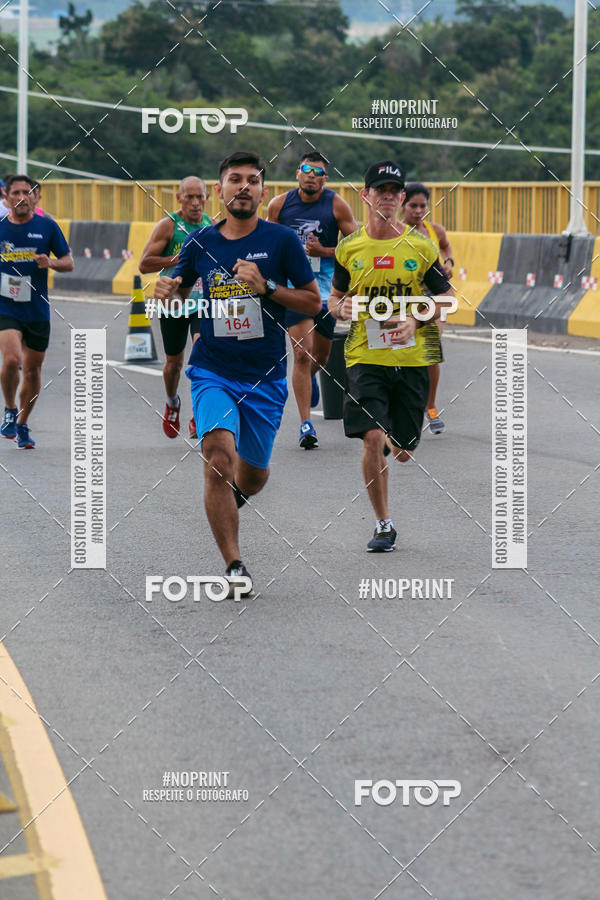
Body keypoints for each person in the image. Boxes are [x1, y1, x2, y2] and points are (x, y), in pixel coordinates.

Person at [154, 151, 320, 595]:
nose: (243, 186)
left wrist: (267, 287)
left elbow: (313, 303)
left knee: (253, 477)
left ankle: (228, 501)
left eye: (252, 180)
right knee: (217, 460)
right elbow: (178, 296)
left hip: (265, 377)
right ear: (220, 188)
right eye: (234, 179)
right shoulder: (200, 242)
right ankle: (234, 566)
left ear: (263, 191)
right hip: (212, 369)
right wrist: (166, 291)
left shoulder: (282, 241)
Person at [328, 161, 454, 552]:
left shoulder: (420, 246)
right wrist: (338, 308)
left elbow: (447, 298)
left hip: (413, 358)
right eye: (379, 189)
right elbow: (335, 295)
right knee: (372, 437)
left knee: (402, 452)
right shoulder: (349, 248)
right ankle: (384, 524)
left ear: (402, 198)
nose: (387, 196)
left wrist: (416, 320)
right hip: (366, 357)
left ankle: (392, 440)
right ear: (365, 196)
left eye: (394, 191)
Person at [267, 151, 356, 448]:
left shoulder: (336, 204)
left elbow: (356, 248)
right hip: (294, 291)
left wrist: (326, 252)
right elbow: (269, 244)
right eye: (307, 169)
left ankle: (310, 379)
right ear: (297, 172)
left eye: (318, 172)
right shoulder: (279, 205)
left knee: (321, 357)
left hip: (326, 292)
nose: (312, 175)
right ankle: (306, 424)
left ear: (325, 179)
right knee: (302, 354)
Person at [0, 174, 73, 449]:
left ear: (37, 197)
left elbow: (69, 262)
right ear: (6, 198)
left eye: (28, 192)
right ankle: (8, 408)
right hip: (5, 305)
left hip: (37, 309)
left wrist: (51, 263)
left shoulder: (47, 227)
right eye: (16, 192)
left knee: (32, 372)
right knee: (11, 360)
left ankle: (22, 422)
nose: (22, 197)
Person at [140, 176, 213, 439]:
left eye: (200, 197)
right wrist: (177, 258)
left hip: (202, 304)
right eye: (189, 197)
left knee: (201, 356)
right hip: (174, 303)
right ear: (179, 198)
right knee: (174, 363)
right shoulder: (169, 226)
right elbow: (144, 263)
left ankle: (199, 415)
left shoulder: (211, 225)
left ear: (207, 198)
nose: (195, 203)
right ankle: (172, 402)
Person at [401, 182, 454, 435]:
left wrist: (449, 262)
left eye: (423, 206)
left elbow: (445, 245)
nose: (418, 210)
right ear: (402, 205)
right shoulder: (394, 233)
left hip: (433, 297)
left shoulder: (435, 231)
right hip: (403, 297)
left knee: (432, 349)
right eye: (413, 205)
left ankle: (430, 405)